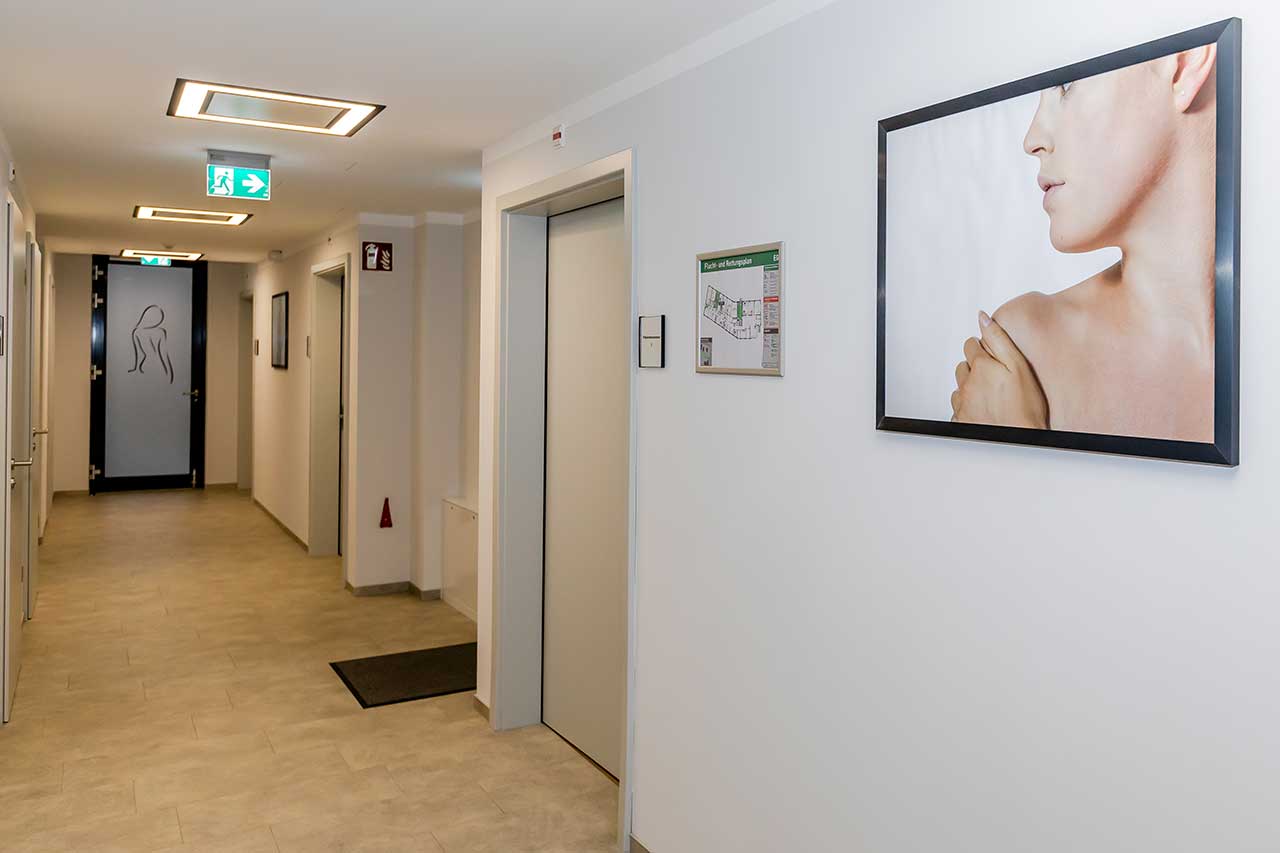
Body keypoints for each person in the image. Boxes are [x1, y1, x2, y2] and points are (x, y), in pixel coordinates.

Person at [950, 43, 1218, 443]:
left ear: (1183, 64)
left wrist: (1024, 444)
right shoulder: (1026, 350)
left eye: (1066, 83)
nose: (1032, 138)